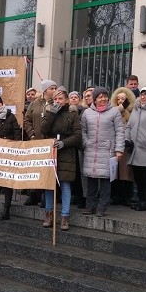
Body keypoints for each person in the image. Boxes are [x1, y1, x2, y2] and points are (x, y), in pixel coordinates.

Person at [40, 86, 82, 230]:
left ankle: (65, 217)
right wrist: (52, 113)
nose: (58, 101)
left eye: (60, 99)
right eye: (56, 99)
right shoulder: (49, 111)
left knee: (65, 184)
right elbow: (43, 129)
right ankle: (49, 214)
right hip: (51, 152)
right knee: (49, 184)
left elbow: (77, 135)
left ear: (66, 100)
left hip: (66, 152)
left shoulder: (73, 114)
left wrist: (64, 143)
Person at [81, 86, 125, 217]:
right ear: (94, 99)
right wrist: (85, 143)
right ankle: (90, 207)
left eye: (105, 96)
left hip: (108, 150)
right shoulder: (87, 113)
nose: (103, 99)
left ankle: (102, 208)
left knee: (105, 180)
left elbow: (120, 132)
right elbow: (83, 130)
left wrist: (119, 150)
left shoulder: (115, 112)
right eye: (100, 97)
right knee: (91, 179)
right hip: (91, 150)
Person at [23, 79, 57, 206]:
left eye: (55, 88)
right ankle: (33, 195)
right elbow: (27, 120)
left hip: (49, 143)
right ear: (45, 90)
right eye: (51, 88)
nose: (54, 91)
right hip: (36, 142)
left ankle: (45, 197)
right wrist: (31, 134)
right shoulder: (35, 104)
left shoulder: (56, 104)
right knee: (35, 168)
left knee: (47, 170)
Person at [110, 87, 136, 206]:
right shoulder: (112, 111)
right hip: (114, 145)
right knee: (115, 172)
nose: (121, 100)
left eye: (123, 98)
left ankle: (126, 197)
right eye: (118, 98)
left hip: (126, 145)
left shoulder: (132, 112)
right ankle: (116, 196)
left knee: (126, 172)